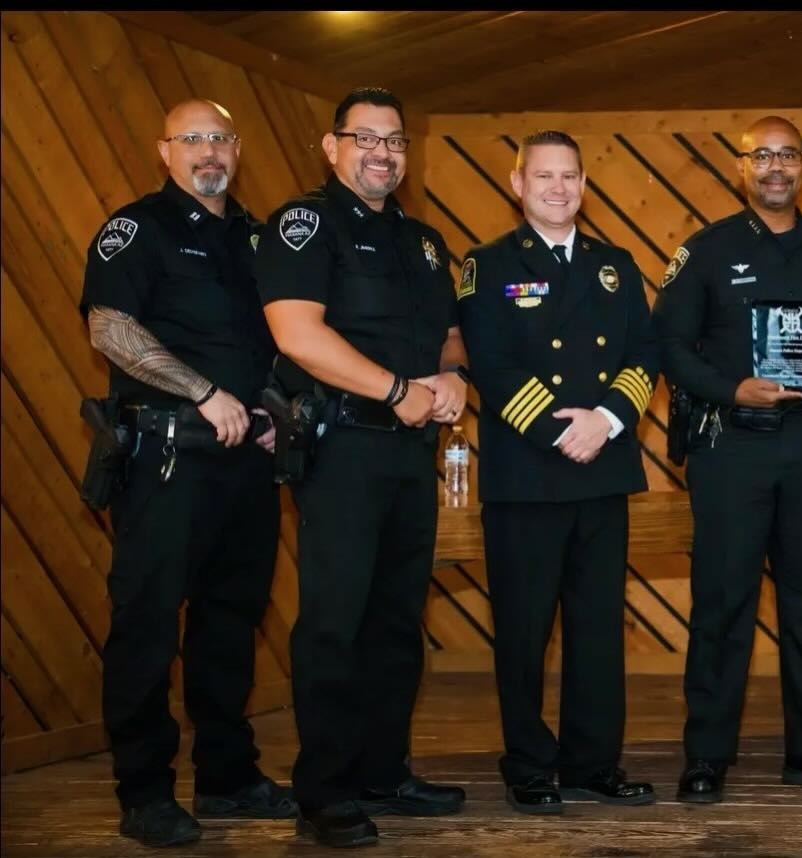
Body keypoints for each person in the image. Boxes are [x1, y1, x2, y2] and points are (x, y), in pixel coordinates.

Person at [254, 87, 468, 847]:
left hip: (411, 454)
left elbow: (447, 333)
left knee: (395, 625)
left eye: (395, 141)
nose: (383, 152)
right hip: (342, 448)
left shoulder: (425, 242)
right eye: (366, 138)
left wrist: (451, 379)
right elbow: (297, 335)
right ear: (332, 145)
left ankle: (385, 769)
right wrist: (398, 390)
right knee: (334, 627)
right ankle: (324, 790)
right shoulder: (304, 225)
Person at [652, 115, 802, 803]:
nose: (776, 167)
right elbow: (669, 348)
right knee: (722, 605)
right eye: (763, 156)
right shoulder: (705, 251)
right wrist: (732, 388)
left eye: (788, 155)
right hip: (734, 447)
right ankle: (707, 755)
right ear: (741, 167)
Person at [80, 99, 295, 848]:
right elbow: (108, 326)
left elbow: (278, 340)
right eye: (192, 139)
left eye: (219, 139)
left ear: (237, 148)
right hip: (166, 456)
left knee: (230, 623)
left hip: (245, 463)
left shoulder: (258, 235)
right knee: (146, 626)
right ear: (164, 150)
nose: (209, 152)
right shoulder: (138, 228)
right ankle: (143, 793)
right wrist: (205, 393)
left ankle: (228, 775)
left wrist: (272, 405)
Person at [455, 130, 658, 815]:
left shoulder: (616, 264)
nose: (558, 187)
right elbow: (491, 362)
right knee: (523, 629)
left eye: (568, 176)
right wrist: (560, 429)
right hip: (529, 473)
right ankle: (528, 763)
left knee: (599, 627)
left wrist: (605, 420)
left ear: (582, 185)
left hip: (603, 468)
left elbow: (643, 355)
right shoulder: (486, 266)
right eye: (544, 176)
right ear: (518, 184)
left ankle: (594, 761)